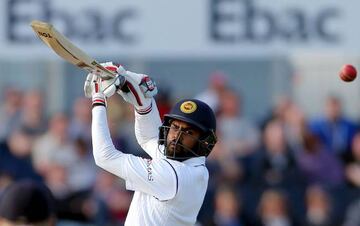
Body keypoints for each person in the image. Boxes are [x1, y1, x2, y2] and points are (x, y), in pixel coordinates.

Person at [83, 62, 218, 225]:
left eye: (189, 132)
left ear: (204, 141)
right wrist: (143, 100)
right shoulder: (192, 166)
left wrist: (98, 99)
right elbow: (149, 139)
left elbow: (104, 156)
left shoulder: (174, 176)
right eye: (175, 127)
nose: (177, 137)